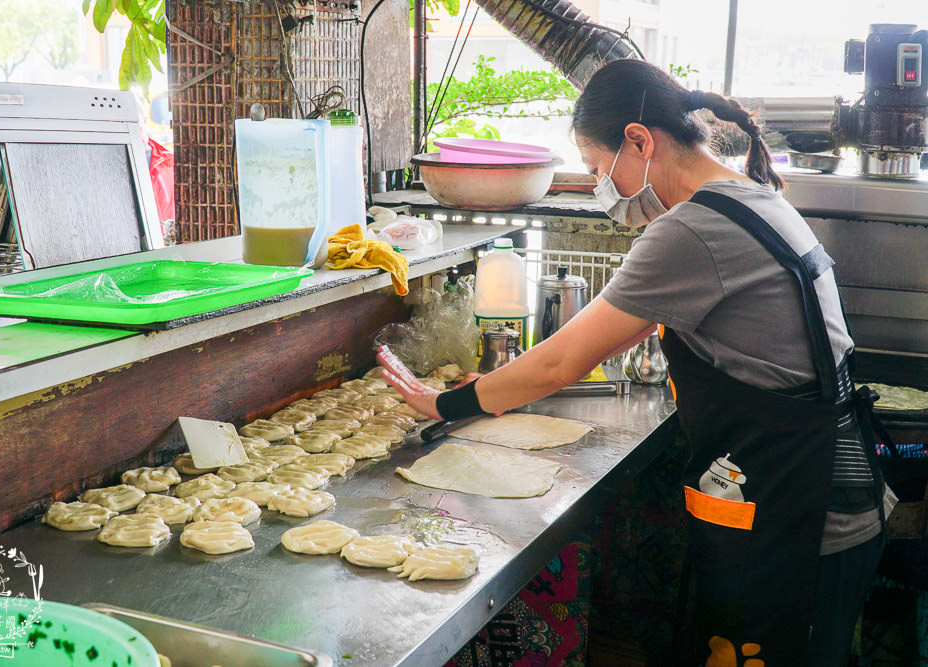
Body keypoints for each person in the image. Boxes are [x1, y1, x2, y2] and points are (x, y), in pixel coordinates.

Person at [378, 59, 893, 667]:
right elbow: (616, 330)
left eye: (599, 169)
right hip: (825, 489)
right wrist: (496, 382)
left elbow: (563, 360)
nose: (602, 189)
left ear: (640, 141)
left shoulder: (693, 229)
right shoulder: (749, 197)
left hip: (800, 517)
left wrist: (443, 403)